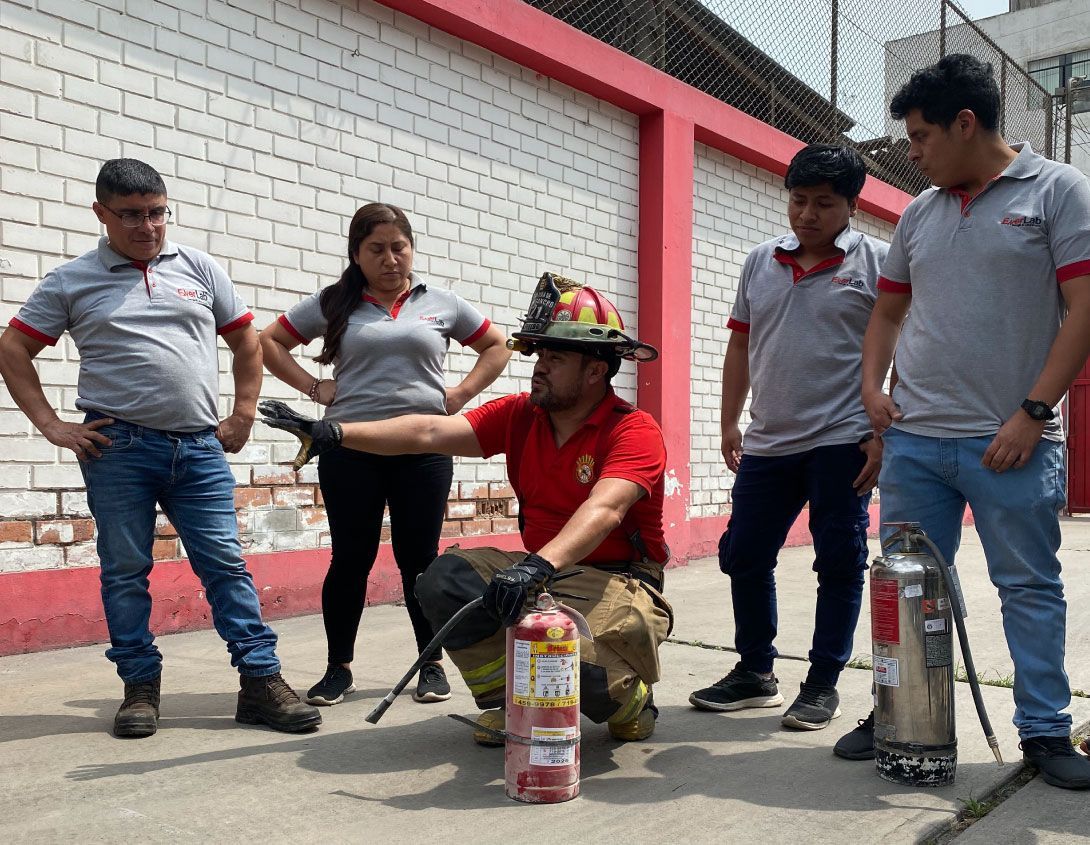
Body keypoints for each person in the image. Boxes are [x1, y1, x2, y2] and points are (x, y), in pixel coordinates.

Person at [260, 272, 673, 742]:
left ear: (596, 370)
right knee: (443, 579)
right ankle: (509, 701)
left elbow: (606, 509)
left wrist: (536, 566)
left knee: (581, 670)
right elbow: (429, 432)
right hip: (546, 573)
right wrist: (336, 432)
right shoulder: (521, 414)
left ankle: (630, 698)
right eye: (539, 354)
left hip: (618, 578)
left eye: (556, 358)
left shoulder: (633, 430)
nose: (538, 367)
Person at [833, 55, 1090, 791]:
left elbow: (1085, 308)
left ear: (965, 124)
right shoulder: (921, 212)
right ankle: (896, 710)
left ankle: (1044, 729)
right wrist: (871, 390)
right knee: (907, 585)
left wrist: (1034, 412)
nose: (911, 153)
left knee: (1029, 586)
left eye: (920, 137)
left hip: (1010, 442)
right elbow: (887, 311)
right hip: (914, 441)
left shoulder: (1057, 192)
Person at [0, 159, 320, 738]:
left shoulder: (199, 267)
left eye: (156, 213)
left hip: (198, 449)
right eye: (131, 216)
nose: (147, 227)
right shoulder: (72, 281)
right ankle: (140, 689)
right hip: (117, 449)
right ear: (101, 214)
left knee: (225, 564)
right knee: (126, 570)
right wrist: (51, 425)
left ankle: (260, 682)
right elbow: (14, 349)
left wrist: (244, 410)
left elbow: (246, 341)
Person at [258, 203, 510, 707]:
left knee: (420, 560)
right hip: (351, 446)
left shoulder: (440, 302)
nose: (390, 259)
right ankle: (338, 669)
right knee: (352, 558)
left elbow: (498, 346)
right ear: (357, 254)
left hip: (424, 447)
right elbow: (269, 341)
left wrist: (458, 394)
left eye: (399, 247)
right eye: (376, 249)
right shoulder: (336, 302)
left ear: (412, 248)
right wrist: (314, 388)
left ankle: (430, 665)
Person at [688, 145, 887, 731]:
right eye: (798, 201)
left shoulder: (877, 262)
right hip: (769, 441)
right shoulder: (761, 261)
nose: (807, 214)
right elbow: (740, 344)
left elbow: (904, 348)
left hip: (843, 439)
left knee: (840, 562)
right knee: (744, 554)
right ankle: (754, 672)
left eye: (824, 203)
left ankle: (822, 683)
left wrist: (882, 432)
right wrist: (729, 420)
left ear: (852, 205)